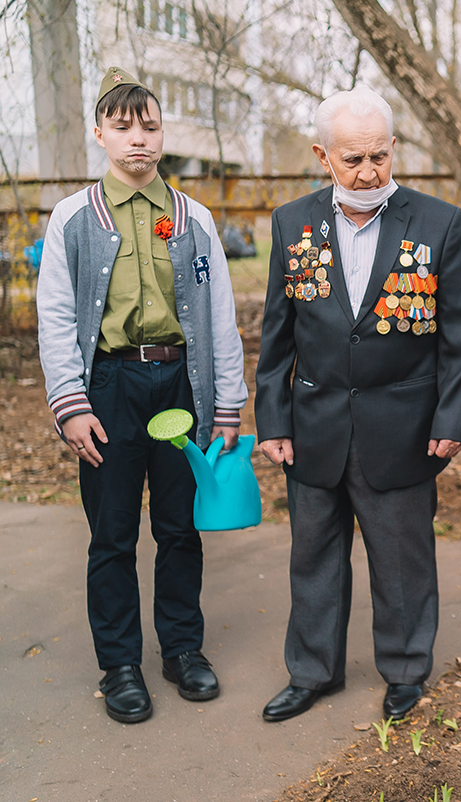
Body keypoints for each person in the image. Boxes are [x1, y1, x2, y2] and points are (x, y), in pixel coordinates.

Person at [255, 87, 461, 722]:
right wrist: (271, 419)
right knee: (313, 558)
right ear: (322, 156)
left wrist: (452, 417)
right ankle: (312, 672)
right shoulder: (289, 223)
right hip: (314, 424)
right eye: (353, 159)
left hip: (403, 428)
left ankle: (406, 671)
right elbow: (277, 336)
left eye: (380, 156)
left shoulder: (438, 223)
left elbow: (460, 336)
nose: (368, 172)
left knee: (403, 560)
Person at [36, 67, 247, 723]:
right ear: (100, 134)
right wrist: (70, 403)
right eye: (124, 127)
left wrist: (228, 403)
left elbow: (219, 315)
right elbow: (56, 316)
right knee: (113, 533)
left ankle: (183, 650)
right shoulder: (72, 219)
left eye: (149, 126)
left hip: (180, 383)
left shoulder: (193, 219)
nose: (139, 140)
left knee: (180, 528)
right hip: (109, 386)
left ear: (162, 134)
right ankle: (120, 663)